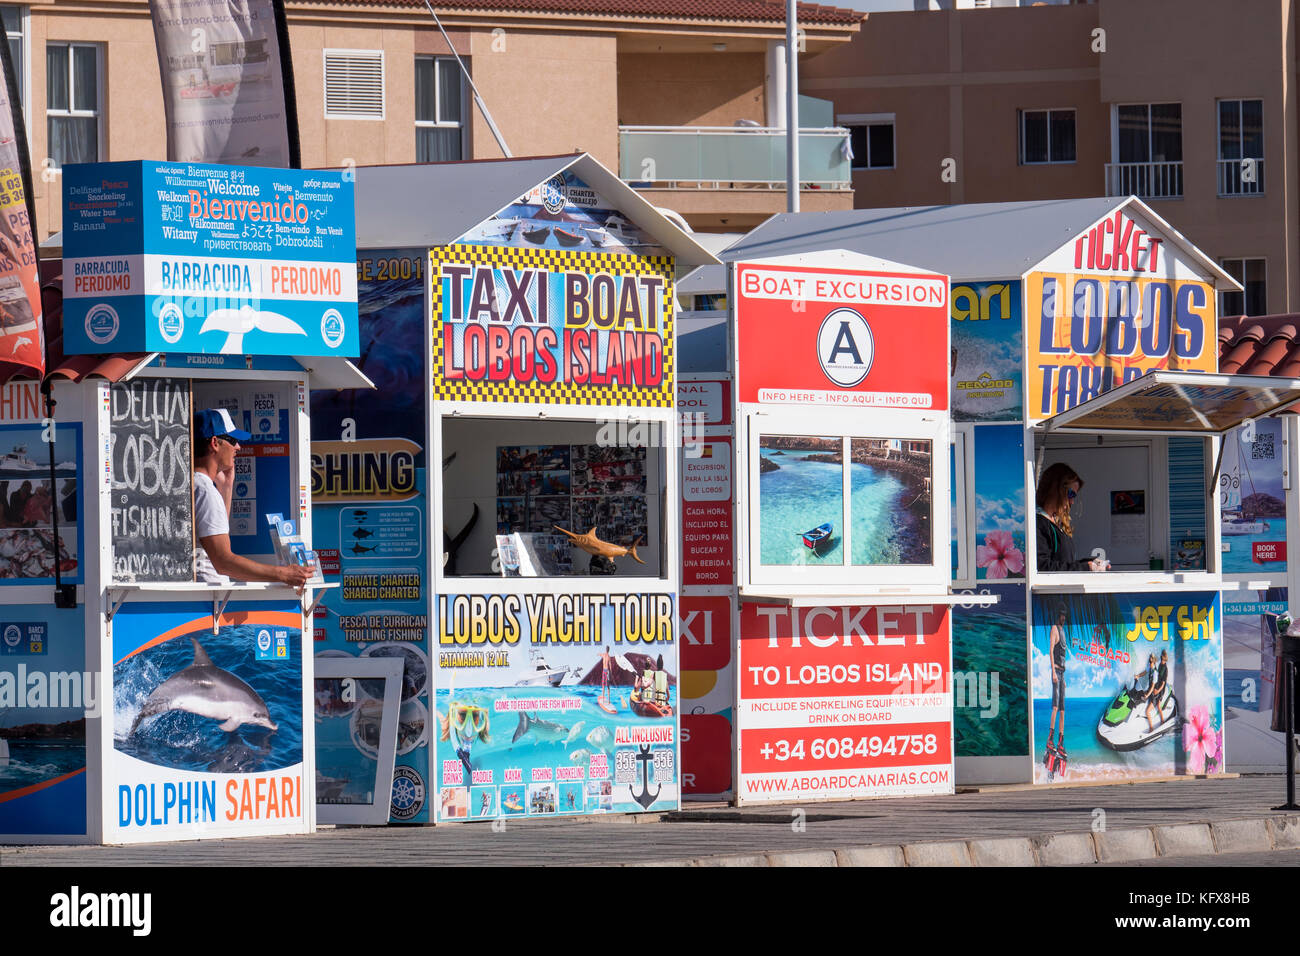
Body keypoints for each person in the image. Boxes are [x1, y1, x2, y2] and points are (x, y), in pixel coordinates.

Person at [193, 408, 312, 588]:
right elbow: (223, 561)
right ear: (215, 443)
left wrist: (226, 487)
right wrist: (283, 573)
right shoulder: (204, 490)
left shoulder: (194, 485)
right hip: (207, 597)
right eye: (233, 440)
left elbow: (214, 534)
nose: (238, 447)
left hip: (202, 594)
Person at [1036, 462, 1107, 572]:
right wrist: (1085, 567)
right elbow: (1042, 568)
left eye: (1074, 496)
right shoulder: (1038, 523)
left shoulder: (1055, 524)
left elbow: (1064, 563)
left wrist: (1090, 563)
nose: (1072, 502)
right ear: (1056, 490)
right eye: (1071, 494)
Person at [1046, 604, 1068, 769]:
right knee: (1055, 707)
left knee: (1062, 710)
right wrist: (1053, 672)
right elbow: (1051, 651)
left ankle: (1060, 740)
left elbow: (1062, 655)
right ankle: (1050, 738)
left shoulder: (1063, 631)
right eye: (1062, 615)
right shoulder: (1054, 629)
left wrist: (1063, 678)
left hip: (1062, 673)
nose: (1064, 617)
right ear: (1058, 615)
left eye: (1065, 615)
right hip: (1056, 672)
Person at [1145, 649, 1169, 732]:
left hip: (1161, 689)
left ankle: (1161, 721)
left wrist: (1158, 691)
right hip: (1157, 687)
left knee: (1158, 705)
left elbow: (1163, 683)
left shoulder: (1165, 669)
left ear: (1165, 660)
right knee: (1156, 704)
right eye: (1161, 659)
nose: (1162, 661)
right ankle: (1159, 721)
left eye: (1163, 660)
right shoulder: (1160, 665)